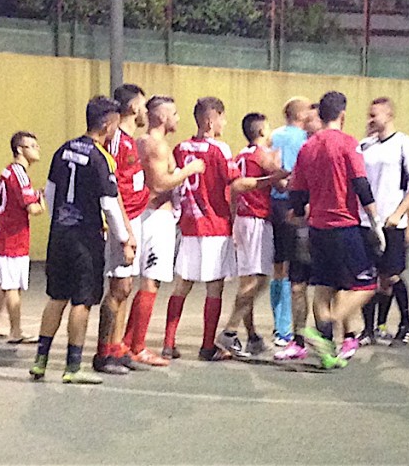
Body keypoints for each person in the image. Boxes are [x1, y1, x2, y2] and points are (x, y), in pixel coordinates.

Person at [29, 97, 133, 384]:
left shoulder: (62, 150)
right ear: (107, 124)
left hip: (60, 234)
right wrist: (124, 240)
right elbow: (109, 205)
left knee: (56, 297)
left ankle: (40, 361)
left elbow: (50, 192)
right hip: (85, 239)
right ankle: (73, 367)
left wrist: (59, 223)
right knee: (82, 301)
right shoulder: (101, 158)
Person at [163, 97, 266, 361]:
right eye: (222, 118)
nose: (224, 123)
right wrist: (271, 179)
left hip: (189, 223)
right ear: (210, 121)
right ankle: (207, 346)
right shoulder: (219, 149)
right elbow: (237, 183)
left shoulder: (181, 148)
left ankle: (168, 343)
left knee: (182, 285)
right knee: (214, 287)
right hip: (214, 223)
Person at [290, 91, 385, 369]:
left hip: (317, 228)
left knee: (323, 287)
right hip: (343, 226)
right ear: (342, 115)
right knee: (367, 285)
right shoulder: (347, 143)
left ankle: (326, 351)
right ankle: (328, 324)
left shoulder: (307, 148)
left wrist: (300, 216)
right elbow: (360, 184)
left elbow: (297, 192)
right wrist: (375, 221)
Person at [120, 96, 205, 366]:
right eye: (174, 113)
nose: (178, 118)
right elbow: (159, 184)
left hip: (149, 215)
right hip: (156, 217)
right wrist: (189, 170)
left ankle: (127, 342)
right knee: (151, 281)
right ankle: (138, 346)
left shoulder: (142, 142)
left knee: (145, 281)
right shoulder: (155, 145)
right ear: (162, 117)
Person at [216, 113, 288, 357]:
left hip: (242, 219)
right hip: (257, 219)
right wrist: (281, 166)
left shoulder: (241, 155)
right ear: (262, 131)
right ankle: (229, 331)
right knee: (259, 280)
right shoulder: (262, 155)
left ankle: (253, 336)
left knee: (249, 278)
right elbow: (282, 184)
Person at [357, 97, 409, 348]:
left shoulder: (404, 144)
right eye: (369, 114)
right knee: (367, 278)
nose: (370, 119)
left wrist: (399, 214)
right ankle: (368, 329)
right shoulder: (364, 146)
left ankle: (405, 324)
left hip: (391, 223)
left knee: (390, 276)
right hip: (366, 222)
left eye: (374, 114)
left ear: (389, 115)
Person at [96, 84, 149, 375]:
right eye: (143, 105)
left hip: (134, 218)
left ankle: (117, 348)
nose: (145, 111)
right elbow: (112, 186)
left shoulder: (129, 140)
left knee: (125, 287)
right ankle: (103, 352)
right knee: (118, 287)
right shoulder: (116, 140)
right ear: (133, 107)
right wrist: (122, 231)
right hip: (122, 221)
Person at [0, 131, 46, 343]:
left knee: (5, 282)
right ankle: (16, 331)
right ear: (20, 149)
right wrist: (42, 201)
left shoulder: (10, 172)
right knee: (12, 286)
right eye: (32, 146)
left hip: (6, 233)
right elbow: (33, 209)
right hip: (11, 235)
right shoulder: (19, 174)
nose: (37, 149)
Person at [274, 102, 323, 361]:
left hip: (327, 227)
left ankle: (334, 337)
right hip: (303, 227)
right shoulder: (304, 150)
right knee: (297, 286)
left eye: (311, 120)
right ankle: (298, 339)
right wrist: (296, 207)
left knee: (328, 287)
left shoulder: (332, 149)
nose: (306, 125)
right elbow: (296, 183)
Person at [268, 97, 311, 348]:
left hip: (273, 203)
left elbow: (271, 168)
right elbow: (300, 173)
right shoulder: (303, 139)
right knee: (292, 268)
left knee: (278, 267)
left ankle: (279, 326)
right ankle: (285, 329)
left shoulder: (273, 136)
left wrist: (278, 181)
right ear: (301, 114)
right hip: (291, 204)